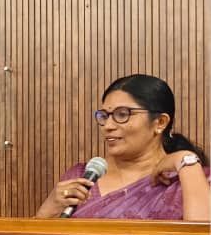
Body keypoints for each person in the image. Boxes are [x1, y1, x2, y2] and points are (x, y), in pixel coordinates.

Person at [36, 74, 210, 220]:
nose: (108, 126)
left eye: (122, 114)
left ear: (160, 122)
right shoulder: (81, 177)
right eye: (104, 116)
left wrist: (185, 160)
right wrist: (46, 211)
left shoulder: (192, 179)